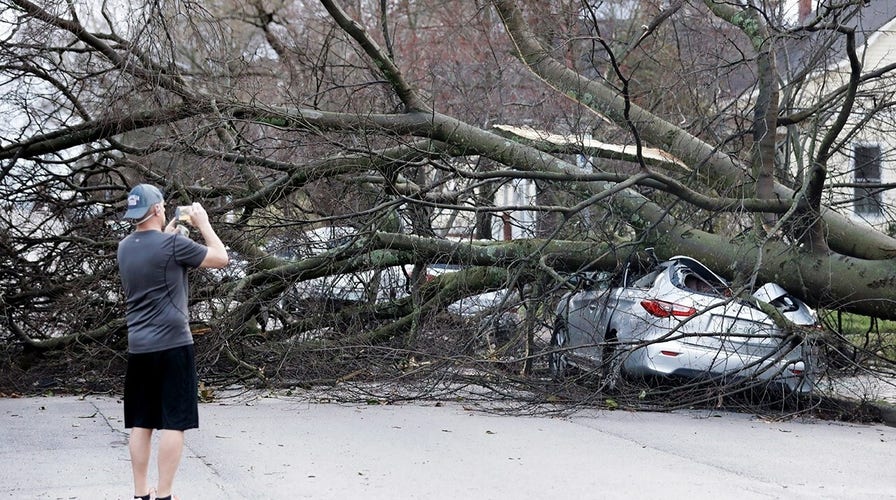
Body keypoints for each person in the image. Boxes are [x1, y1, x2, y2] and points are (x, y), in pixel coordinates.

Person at [117, 184, 229, 500]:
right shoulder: (172, 247)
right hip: (173, 346)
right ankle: (164, 495)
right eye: (162, 206)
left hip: (139, 347)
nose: (165, 209)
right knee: (173, 424)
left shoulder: (124, 247)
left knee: (142, 423)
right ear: (155, 210)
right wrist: (203, 223)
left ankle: (141, 494)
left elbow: (158, 251)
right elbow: (221, 258)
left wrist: (171, 232)